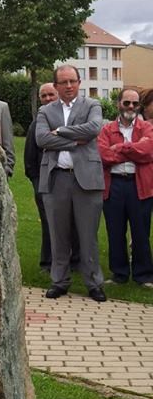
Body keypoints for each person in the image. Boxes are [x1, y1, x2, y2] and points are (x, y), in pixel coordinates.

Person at [35, 64, 106, 302]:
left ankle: (94, 283)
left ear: (79, 82)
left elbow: (94, 128)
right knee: (58, 234)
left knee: (88, 236)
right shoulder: (46, 110)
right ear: (55, 85)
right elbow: (41, 138)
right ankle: (60, 281)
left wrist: (61, 132)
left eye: (72, 81)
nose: (68, 86)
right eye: (63, 82)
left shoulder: (92, 105)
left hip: (86, 178)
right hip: (57, 178)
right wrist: (75, 141)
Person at [98, 88, 153, 287]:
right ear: (118, 104)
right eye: (126, 103)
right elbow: (104, 155)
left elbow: (148, 151)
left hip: (139, 185)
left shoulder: (146, 128)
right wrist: (134, 150)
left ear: (139, 106)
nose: (131, 107)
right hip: (115, 185)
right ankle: (119, 274)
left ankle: (144, 275)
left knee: (141, 231)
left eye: (135, 103)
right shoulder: (107, 129)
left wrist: (121, 148)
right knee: (115, 230)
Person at [24, 82, 80, 273]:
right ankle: (48, 262)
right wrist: (38, 182)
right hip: (45, 182)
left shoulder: (71, 121)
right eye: (44, 96)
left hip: (70, 178)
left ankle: (76, 260)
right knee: (49, 223)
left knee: (75, 221)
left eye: (51, 95)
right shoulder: (36, 124)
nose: (47, 99)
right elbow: (30, 158)